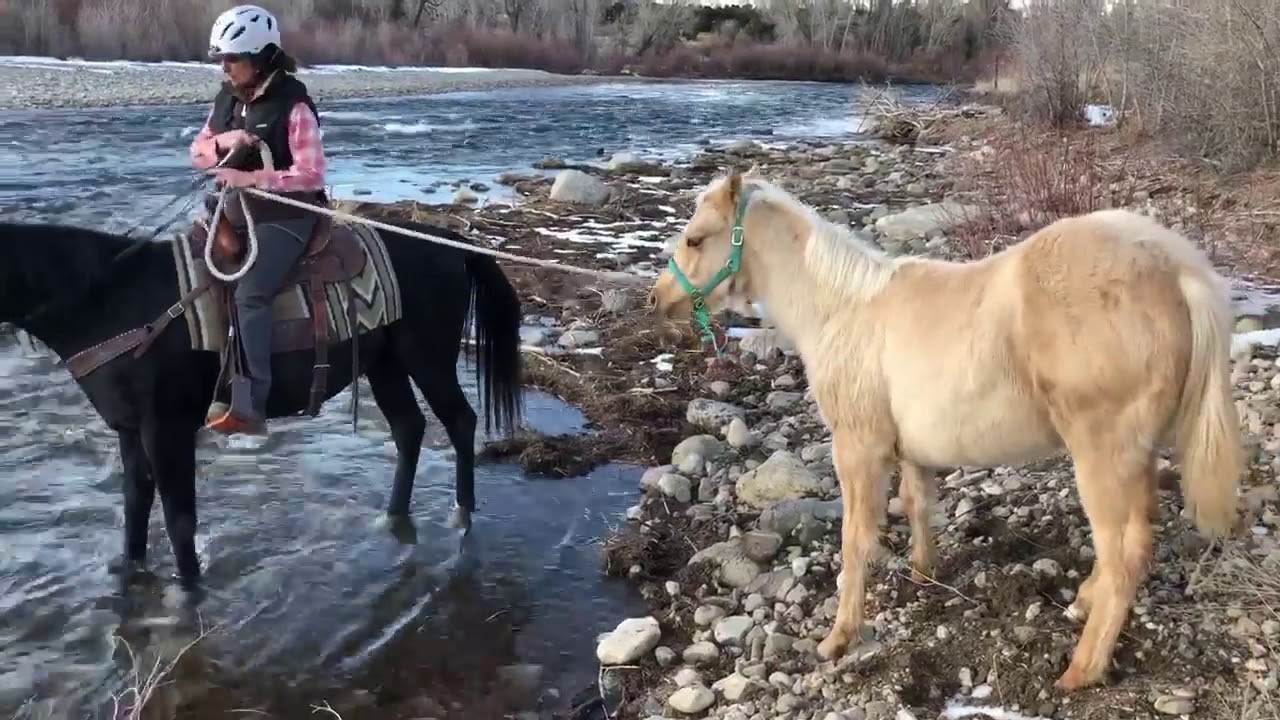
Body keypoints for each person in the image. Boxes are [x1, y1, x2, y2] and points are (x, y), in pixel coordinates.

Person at [189, 4, 329, 436]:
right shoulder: (227, 99)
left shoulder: (294, 103)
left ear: (262, 57)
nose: (225, 67)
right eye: (222, 59)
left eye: (233, 58)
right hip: (234, 210)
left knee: (251, 293)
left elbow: (311, 173)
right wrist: (225, 142)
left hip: (289, 214)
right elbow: (198, 153)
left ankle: (252, 405)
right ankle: (204, 382)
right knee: (188, 272)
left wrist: (252, 177)